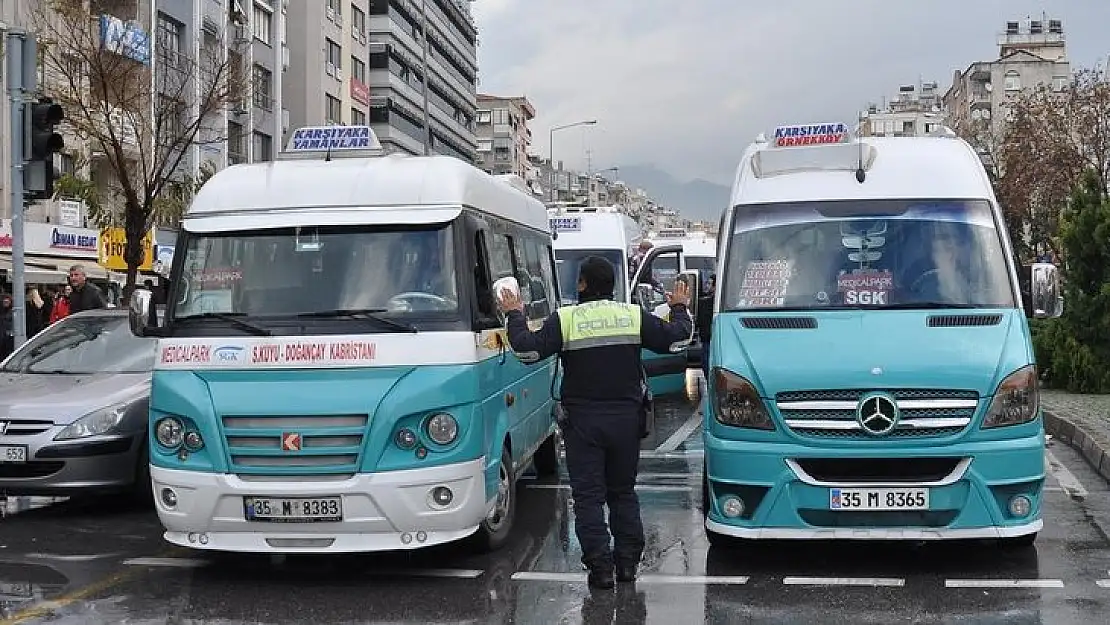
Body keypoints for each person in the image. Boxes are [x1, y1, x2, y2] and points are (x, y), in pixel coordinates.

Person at [497, 256, 692, 589]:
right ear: (613, 285)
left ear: (582, 284)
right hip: (625, 422)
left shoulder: (567, 319)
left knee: (588, 498)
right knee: (622, 493)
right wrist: (679, 307)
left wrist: (515, 314)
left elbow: (528, 351)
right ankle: (628, 565)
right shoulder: (631, 315)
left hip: (583, 423)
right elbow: (677, 339)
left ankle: (601, 570)